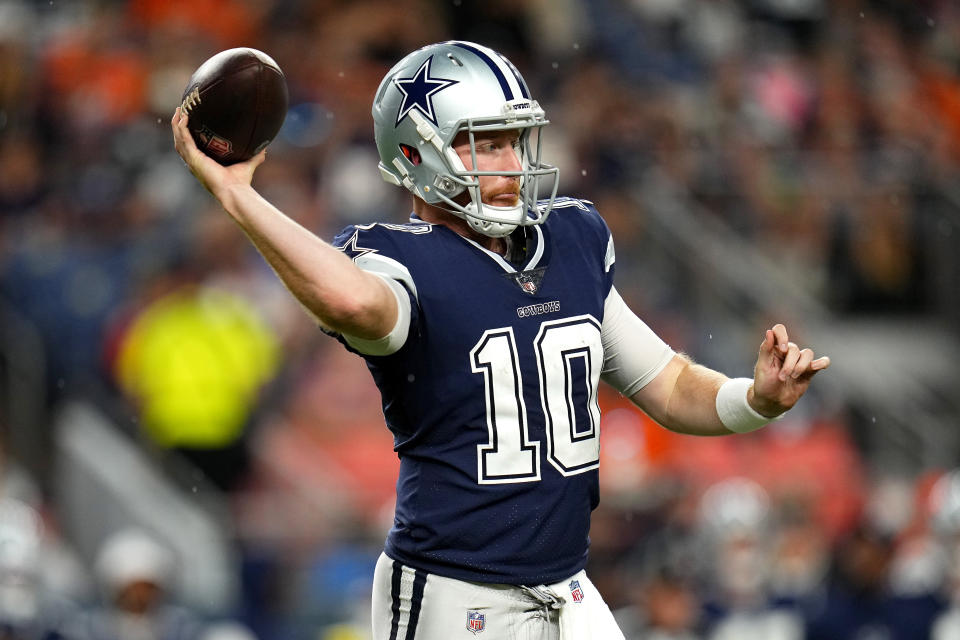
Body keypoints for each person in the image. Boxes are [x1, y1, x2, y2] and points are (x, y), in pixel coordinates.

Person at [172, 40, 830, 640]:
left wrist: (757, 400)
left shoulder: (571, 240)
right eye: (484, 143)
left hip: (567, 587)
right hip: (457, 594)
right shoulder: (402, 262)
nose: (510, 163)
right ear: (413, 155)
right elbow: (351, 299)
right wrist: (237, 196)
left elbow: (671, 384)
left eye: (515, 140)